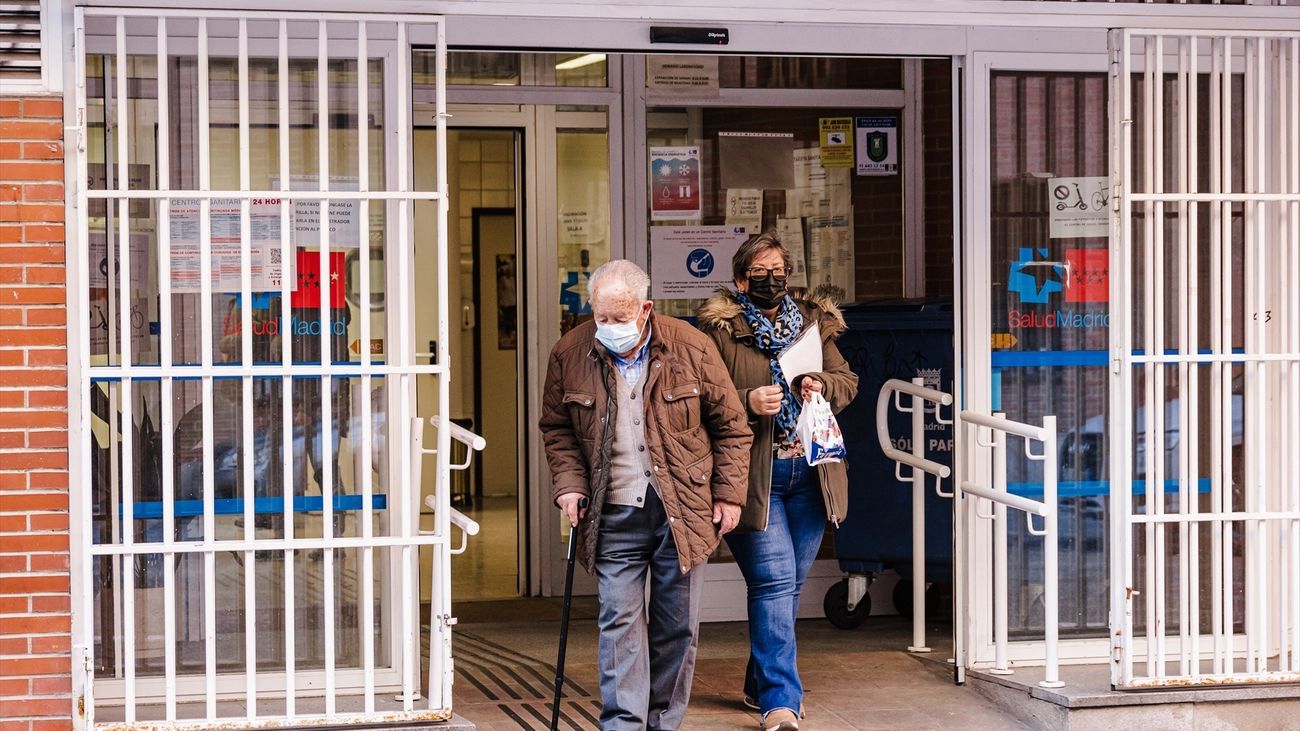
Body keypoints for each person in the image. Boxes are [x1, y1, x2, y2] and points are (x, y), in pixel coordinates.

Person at [540, 259, 754, 731]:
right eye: (600, 317)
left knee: (677, 628)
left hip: (684, 509)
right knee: (618, 623)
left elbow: (733, 427)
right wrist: (570, 485)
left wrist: (728, 495)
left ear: (645, 309)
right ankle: (623, 724)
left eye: (619, 317)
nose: (609, 327)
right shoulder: (570, 352)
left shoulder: (691, 346)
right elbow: (557, 429)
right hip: (612, 509)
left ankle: (662, 721)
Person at [695, 232, 858, 731]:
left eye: (780, 271)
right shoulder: (720, 331)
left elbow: (847, 381)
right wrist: (746, 400)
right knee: (774, 582)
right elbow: (699, 395)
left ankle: (759, 682)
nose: (773, 280)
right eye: (761, 272)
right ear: (741, 279)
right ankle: (781, 702)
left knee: (787, 587)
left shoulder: (811, 323)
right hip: (752, 475)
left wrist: (820, 384)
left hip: (810, 472)